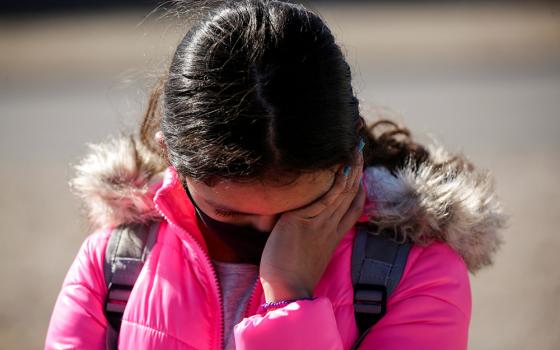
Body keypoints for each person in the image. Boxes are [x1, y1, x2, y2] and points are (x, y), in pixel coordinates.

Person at [45, 1, 507, 349]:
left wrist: (290, 297)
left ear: (353, 155)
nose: (274, 235)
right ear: (173, 157)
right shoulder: (116, 266)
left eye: (305, 210)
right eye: (228, 217)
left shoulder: (415, 274)